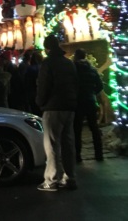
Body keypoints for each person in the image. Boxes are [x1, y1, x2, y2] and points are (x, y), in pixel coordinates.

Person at [36, 34, 78, 192]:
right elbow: (76, 84)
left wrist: (40, 102)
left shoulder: (48, 63)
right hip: (69, 107)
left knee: (52, 144)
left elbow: (43, 85)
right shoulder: (69, 63)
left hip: (53, 107)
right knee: (68, 143)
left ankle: (52, 179)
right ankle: (70, 177)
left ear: (47, 48)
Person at [73, 48, 104, 162]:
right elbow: (100, 86)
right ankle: (99, 154)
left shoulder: (73, 70)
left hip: (78, 102)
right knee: (94, 128)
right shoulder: (92, 69)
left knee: (77, 129)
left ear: (76, 56)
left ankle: (77, 156)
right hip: (90, 101)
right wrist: (92, 92)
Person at [25, 50, 43, 116]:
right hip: (42, 94)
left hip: (32, 94)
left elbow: (27, 83)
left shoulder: (30, 69)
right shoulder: (43, 68)